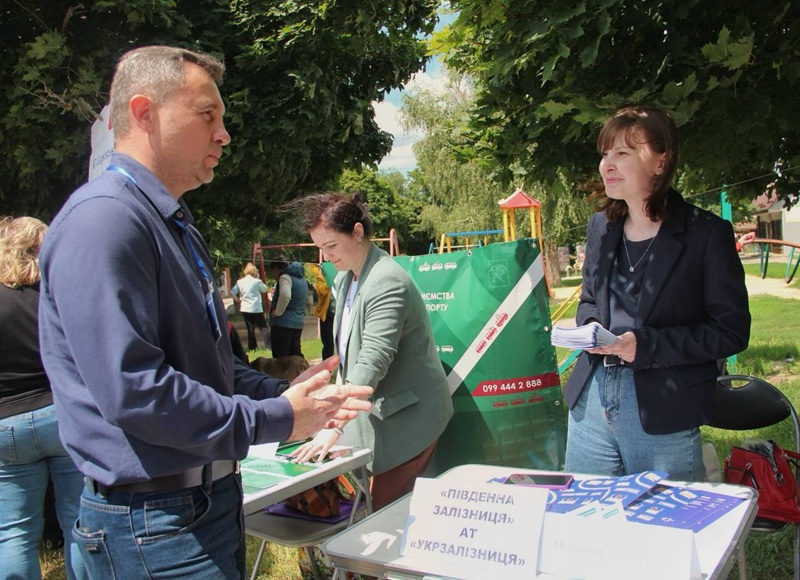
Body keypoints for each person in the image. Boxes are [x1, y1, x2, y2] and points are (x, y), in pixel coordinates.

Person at [37, 45, 372, 579]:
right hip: (152, 522)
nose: (224, 135)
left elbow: (209, 366)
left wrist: (281, 392)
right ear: (144, 113)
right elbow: (137, 392)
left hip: (197, 507)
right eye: (207, 115)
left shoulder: (172, 224)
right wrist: (278, 417)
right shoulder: (105, 221)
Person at [563, 105, 750, 482]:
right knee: (585, 514)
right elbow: (589, 301)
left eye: (623, 153)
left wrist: (645, 346)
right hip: (591, 400)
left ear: (661, 161)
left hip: (663, 406)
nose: (607, 165)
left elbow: (731, 332)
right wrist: (593, 330)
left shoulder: (706, 234)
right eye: (605, 153)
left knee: (664, 516)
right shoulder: (601, 227)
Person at [286, 193, 454, 510]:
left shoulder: (386, 280)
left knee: (385, 517)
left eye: (331, 246)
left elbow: (372, 360)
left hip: (409, 421)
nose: (325, 257)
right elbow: (348, 357)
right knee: (369, 510)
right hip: (376, 414)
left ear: (358, 232)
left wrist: (334, 423)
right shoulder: (346, 279)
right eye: (320, 248)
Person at [0, 217, 87, 580]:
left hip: (6, 424)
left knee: (13, 532)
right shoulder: (58, 295)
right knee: (78, 520)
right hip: (60, 413)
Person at [268, 255, 308, 358]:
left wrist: (278, 311)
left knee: (281, 358)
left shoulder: (285, 277)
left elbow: (285, 295)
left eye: (273, 271)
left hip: (283, 323)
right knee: (295, 355)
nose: (274, 275)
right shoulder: (302, 279)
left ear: (276, 268)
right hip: (297, 322)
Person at [231, 261, 270, 351]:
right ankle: (269, 346)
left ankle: (252, 347)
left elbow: (232, 292)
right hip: (256, 308)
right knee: (263, 327)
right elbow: (264, 289)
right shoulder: (257, 281)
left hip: (245, 308)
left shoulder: (240, 282)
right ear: (254, 272)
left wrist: (237, 300)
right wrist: (259, 278)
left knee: (250, 328)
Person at [311, 263, 336, 360]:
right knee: (328, 343)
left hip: (339, 314)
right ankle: (327, 365)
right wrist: (329, 282)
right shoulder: (321, 279)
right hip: (327, 315)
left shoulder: (342, 278)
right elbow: (322, 291)